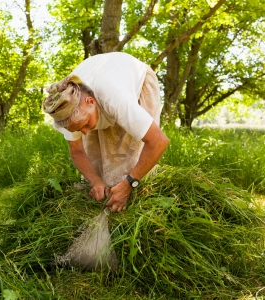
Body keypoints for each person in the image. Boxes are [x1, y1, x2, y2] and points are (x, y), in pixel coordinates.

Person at [42, 52, 170, 213]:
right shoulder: (65, 107)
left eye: (85, 124)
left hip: (133, 79)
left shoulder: (116, 99)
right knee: (98, 163)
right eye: (78, 129)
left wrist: (129, 184)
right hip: (99, 83)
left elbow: (158, 141)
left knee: (132, 154)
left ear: (91, 102)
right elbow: (77, 150)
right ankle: (105, 193)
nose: (85, 131)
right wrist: (95, 181)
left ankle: (135, 201)